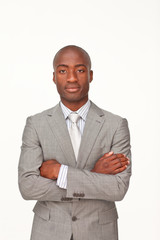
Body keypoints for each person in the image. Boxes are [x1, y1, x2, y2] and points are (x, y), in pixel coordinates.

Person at [18, 45, 131, 240]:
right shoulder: (36, 124)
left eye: (80, 70)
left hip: (98, 232)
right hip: (48, 231)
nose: (71, 78)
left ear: (91, 75)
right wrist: (94, 175)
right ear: (54, 77)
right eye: (63, 71)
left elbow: (118, 188)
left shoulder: (116, 125)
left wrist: (60, 173)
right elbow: (28, 187)